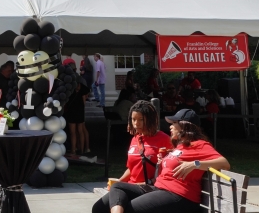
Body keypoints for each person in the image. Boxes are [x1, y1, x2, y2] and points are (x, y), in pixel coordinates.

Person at [94, 109, 229, 213]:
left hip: (179, 196)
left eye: (174, 123)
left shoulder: (199, 144)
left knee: (128, 209)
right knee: (109, 197)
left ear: (185, 126)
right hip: (159, 189)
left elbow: (224, 163)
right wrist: (164, 160)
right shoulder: (180, 145)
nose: (170, 126)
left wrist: (196, 164)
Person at [93, 101, 172, 212]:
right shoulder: (135, 139)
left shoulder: (164, 139)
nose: (136, 124)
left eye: (141, 120)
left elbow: (169, 169)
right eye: (133, 119)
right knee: (98, 208)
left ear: (150, 119)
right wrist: (119, 181)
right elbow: (131, 168)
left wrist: (151, 181)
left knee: (126, 205)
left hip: (150, 188)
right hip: (130, 186)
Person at [64, 77, 90, 157]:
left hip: (71, 111)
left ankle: (73, 149)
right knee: (80, 131)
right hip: (80, 110)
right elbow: (87, 92)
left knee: (73, 133)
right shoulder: (82, 88)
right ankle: (82, 150)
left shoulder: (69, 87)